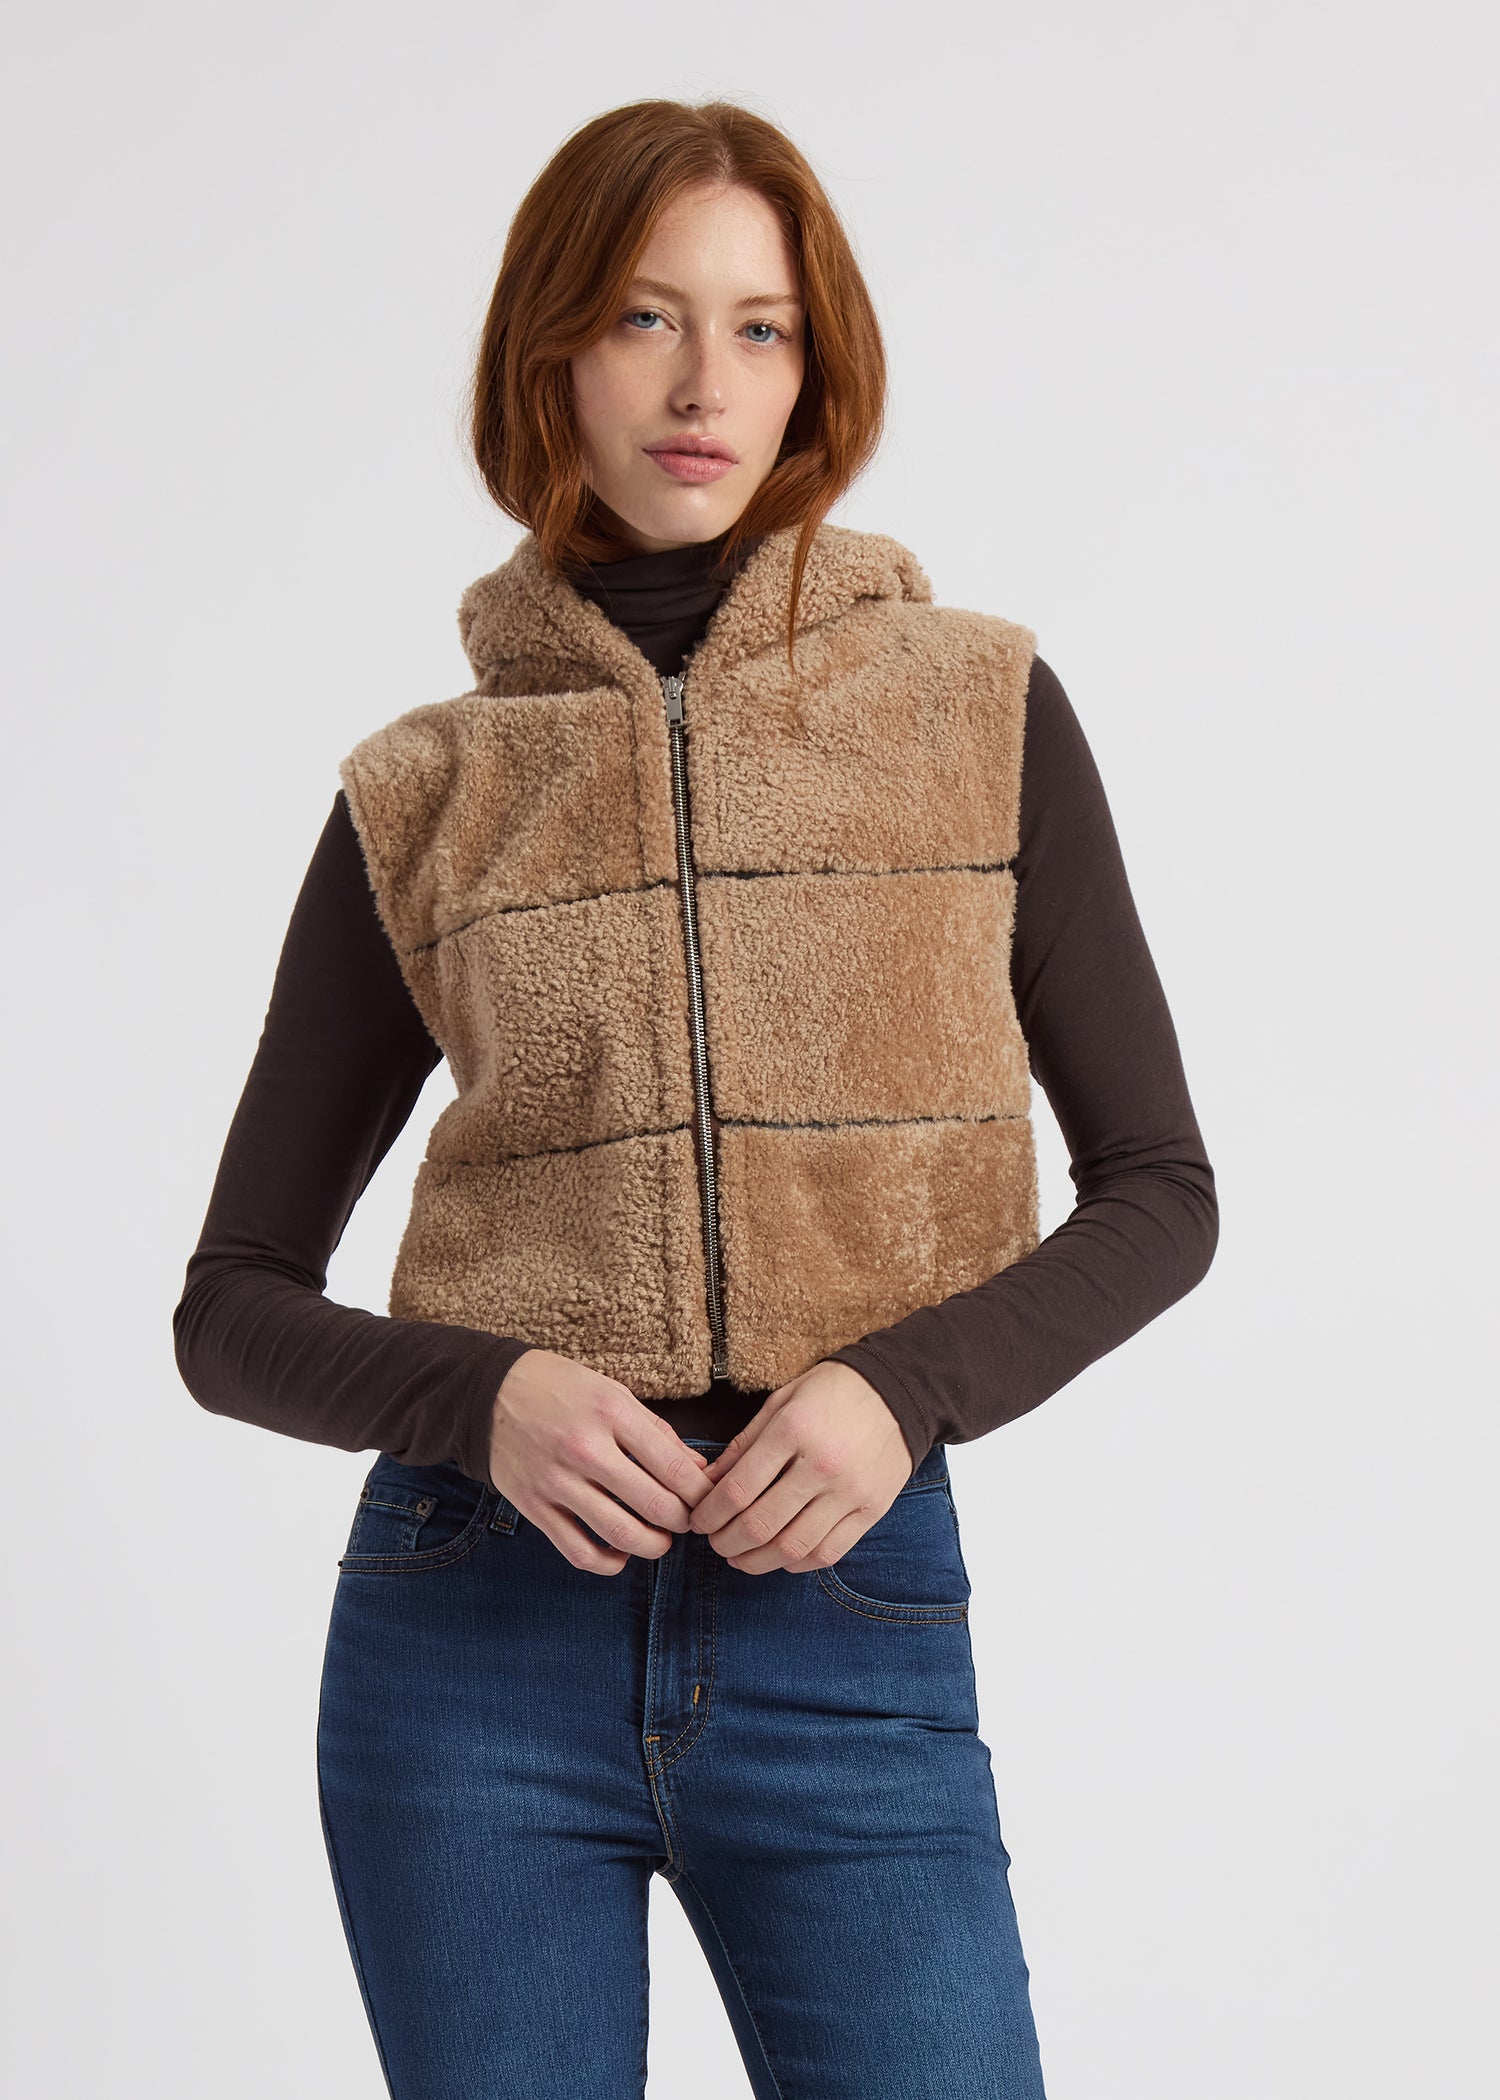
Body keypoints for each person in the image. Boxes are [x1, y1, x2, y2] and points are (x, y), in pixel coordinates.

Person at [173, 97, 1217, 2100]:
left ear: (815, 367)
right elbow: (229, 1306)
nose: (701, 384)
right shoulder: (427, 791)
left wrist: (900, 1389)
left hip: (848, 1623)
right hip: (470, 1645)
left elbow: (1161, 1189)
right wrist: (481, 1397)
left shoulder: (978, 709)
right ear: (552, 350)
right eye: (645, 318)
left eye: (760, 329)